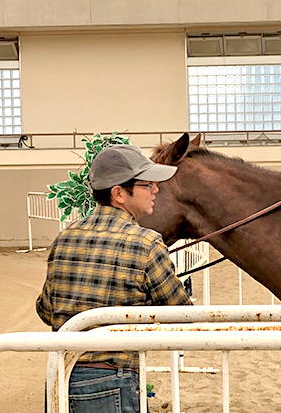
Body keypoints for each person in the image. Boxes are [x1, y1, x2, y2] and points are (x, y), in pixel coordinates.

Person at [36, 144, 192, 413]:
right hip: (114, 381)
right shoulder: (146, 243)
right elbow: (182, 315)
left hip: (60, 379)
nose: (156, 189)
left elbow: (47, 311)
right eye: (147, 184)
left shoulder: (65, 238)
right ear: (119, 193)